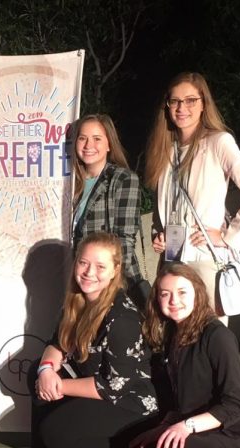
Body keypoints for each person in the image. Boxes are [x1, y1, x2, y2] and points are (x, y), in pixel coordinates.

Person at [125, 263, 240, 448]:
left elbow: (234, 405)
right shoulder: (174, 331)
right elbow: (181, 397)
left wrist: (184, 427)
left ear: (197, 292)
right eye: (165, 294)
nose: (174, 301)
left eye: (182, 292)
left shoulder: (218, 336)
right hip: (196, 428)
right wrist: (163, 426)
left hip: (233, 435)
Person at [25, 232, 157, 448]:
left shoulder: (121, 317)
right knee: (36, 369)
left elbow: (114, 386)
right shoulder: (77, 299)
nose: (89, 272)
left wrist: (59, 386)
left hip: (128, 401)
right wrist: (46, 371)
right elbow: (58, 343)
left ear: (115, 270)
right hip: (92, 382)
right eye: (83, 263)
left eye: (100, 266)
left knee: (55, 431)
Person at [144, 72, 240, 319]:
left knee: (207, 339)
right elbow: (168, 205)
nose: (182, 108)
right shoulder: (165, 149)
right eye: (175, 101)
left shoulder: (218, 142)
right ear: (167, 106)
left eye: (190, 100)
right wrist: (158, 235)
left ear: (204, 104)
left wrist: (227, 236)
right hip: (172, 258)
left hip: (204, 260)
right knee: (172, 339)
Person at [70, 114, 146, 307]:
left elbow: (125, 240)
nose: (88, 145)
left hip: (110, 283)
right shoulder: (69, 182)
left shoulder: (122, 179)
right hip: (80, 280)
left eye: (97, 139)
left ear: (109, 144)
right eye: (82, 138)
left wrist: (113, 287)